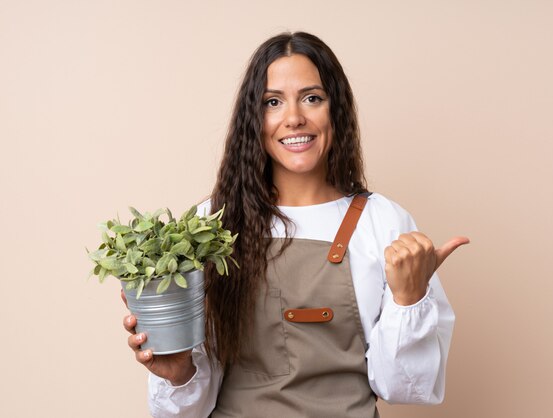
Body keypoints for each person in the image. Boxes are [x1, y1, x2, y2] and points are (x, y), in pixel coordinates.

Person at [123, 31, 469, 417]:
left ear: (335, 109)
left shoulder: (384, 222)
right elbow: (186, 409)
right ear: (254, 118)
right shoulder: (210, 226)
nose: (294, 118)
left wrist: (410, 299)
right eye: (273, 102)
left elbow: (404, 388)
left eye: (312, 98)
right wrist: (178, 374)